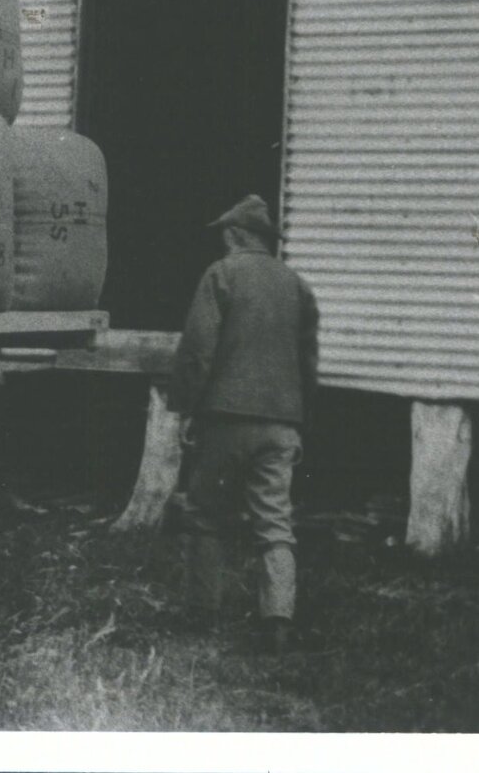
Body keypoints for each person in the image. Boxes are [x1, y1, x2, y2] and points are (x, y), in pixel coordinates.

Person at [167, 193, 320, 653]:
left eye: (224, 235)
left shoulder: (222, 275)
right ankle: (278, 621)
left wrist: (187, 408)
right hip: (281, 423)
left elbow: (198, 350)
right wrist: (300, 418)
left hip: (225, 420)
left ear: (235, 235)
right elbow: (308, 362)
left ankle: (201, 615)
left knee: (205, 515)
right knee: (275, 521)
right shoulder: (297, 285)